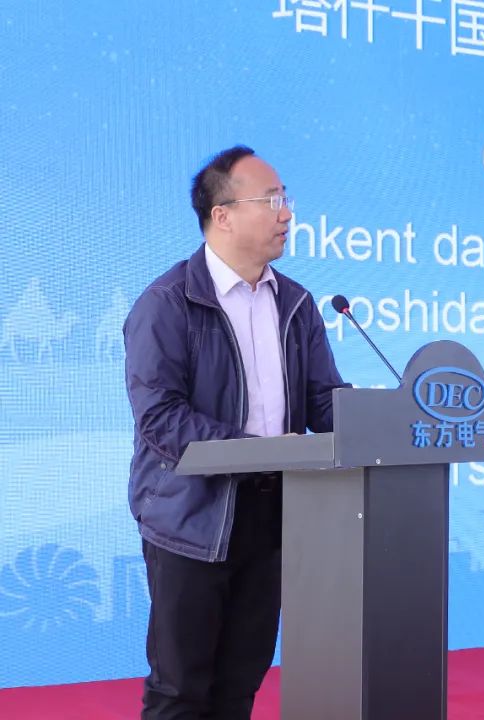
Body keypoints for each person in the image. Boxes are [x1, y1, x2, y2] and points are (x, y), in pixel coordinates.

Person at [123, 145, 348, 719]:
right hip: (191, 518)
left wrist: (387, 420)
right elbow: (161, 419)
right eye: (271, 200)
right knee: (180, 691)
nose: (286, 214)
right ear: (221, 215)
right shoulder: (166, 304)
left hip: (271, 518)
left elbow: (324, 401)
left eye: (285, 199)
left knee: (238, 687)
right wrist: (261, 452)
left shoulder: (295, 303)